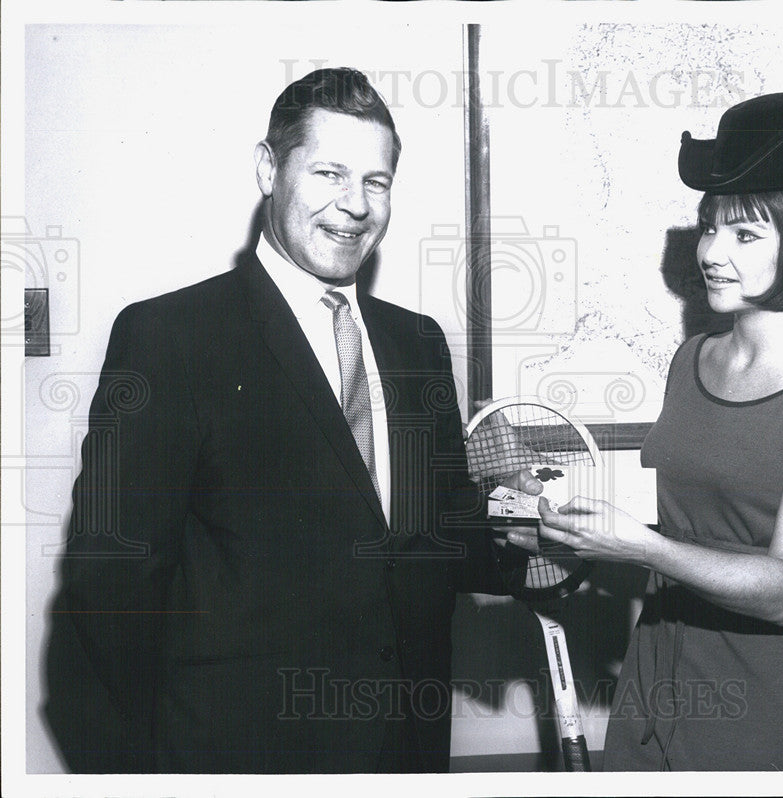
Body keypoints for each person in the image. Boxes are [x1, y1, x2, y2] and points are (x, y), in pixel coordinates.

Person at [43, 67, 539, 774]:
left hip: (404, 756)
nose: (355, 205)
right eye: (330, 173)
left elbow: (434, 540)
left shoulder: (418, 343)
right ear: (268, 169)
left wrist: (530, 538)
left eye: (376, 181)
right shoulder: (171, 338)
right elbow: (111, 586)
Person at [511, 92, 783, 771]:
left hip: (764, 705)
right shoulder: (693, 359)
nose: (710, 252)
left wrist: (642, 549)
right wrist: (565, 529)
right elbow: (683, 529)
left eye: (745, 235)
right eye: (709, 226)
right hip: (657, 674)